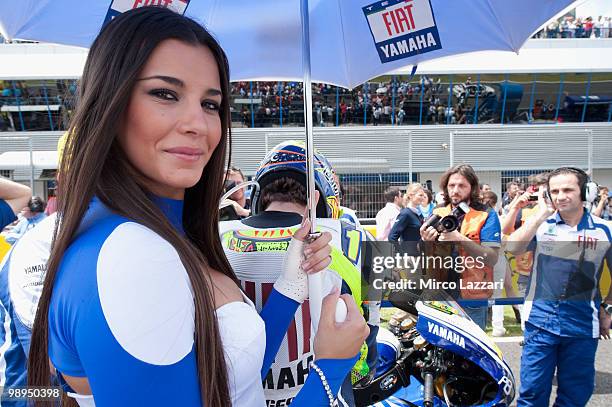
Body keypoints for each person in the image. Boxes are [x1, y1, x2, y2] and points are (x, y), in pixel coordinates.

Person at [27, 7, 368, 407]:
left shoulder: (142, 232)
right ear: (111, 102)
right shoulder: (134, 255)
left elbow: (228, 380)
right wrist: (330, 370)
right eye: (165, 94)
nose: (197, 123)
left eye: (210, 104)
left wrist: (290, 287)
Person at [220, 141, 377, 406]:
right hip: (325, 389)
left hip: (235, 391)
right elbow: (369, 333)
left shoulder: (217, 236)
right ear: (320, 197)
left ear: (260, 193)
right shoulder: (353, 237)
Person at [507, 167, 611, 407]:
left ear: (585, 192)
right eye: (554, 191)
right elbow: (511, 249)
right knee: (532, 393)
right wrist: (539, 215)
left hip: (583, 326)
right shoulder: (540, 224)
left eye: (567, 189)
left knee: (575, 396)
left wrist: (608, 309)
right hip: (540, 323)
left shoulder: (605, 229)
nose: (560, 196)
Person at [420, 164, 501, 329]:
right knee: (440, 349)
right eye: (451, 185)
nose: (455, 190)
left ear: (472, 188)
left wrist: (459, 238)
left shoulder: (486, 214)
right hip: (440, 292)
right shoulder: (438, 211)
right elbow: (422, 253)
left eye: (462, 185)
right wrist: (425, 242)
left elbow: (491, 258)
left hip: (472, 295)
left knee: (471, 351)